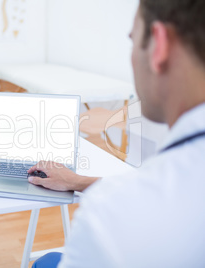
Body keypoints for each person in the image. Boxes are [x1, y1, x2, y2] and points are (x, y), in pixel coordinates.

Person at [29, 0, 205, 267]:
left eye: (133, 40)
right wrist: (77, 181)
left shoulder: (109, 216)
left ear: (159, 46)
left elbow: (137, 195)